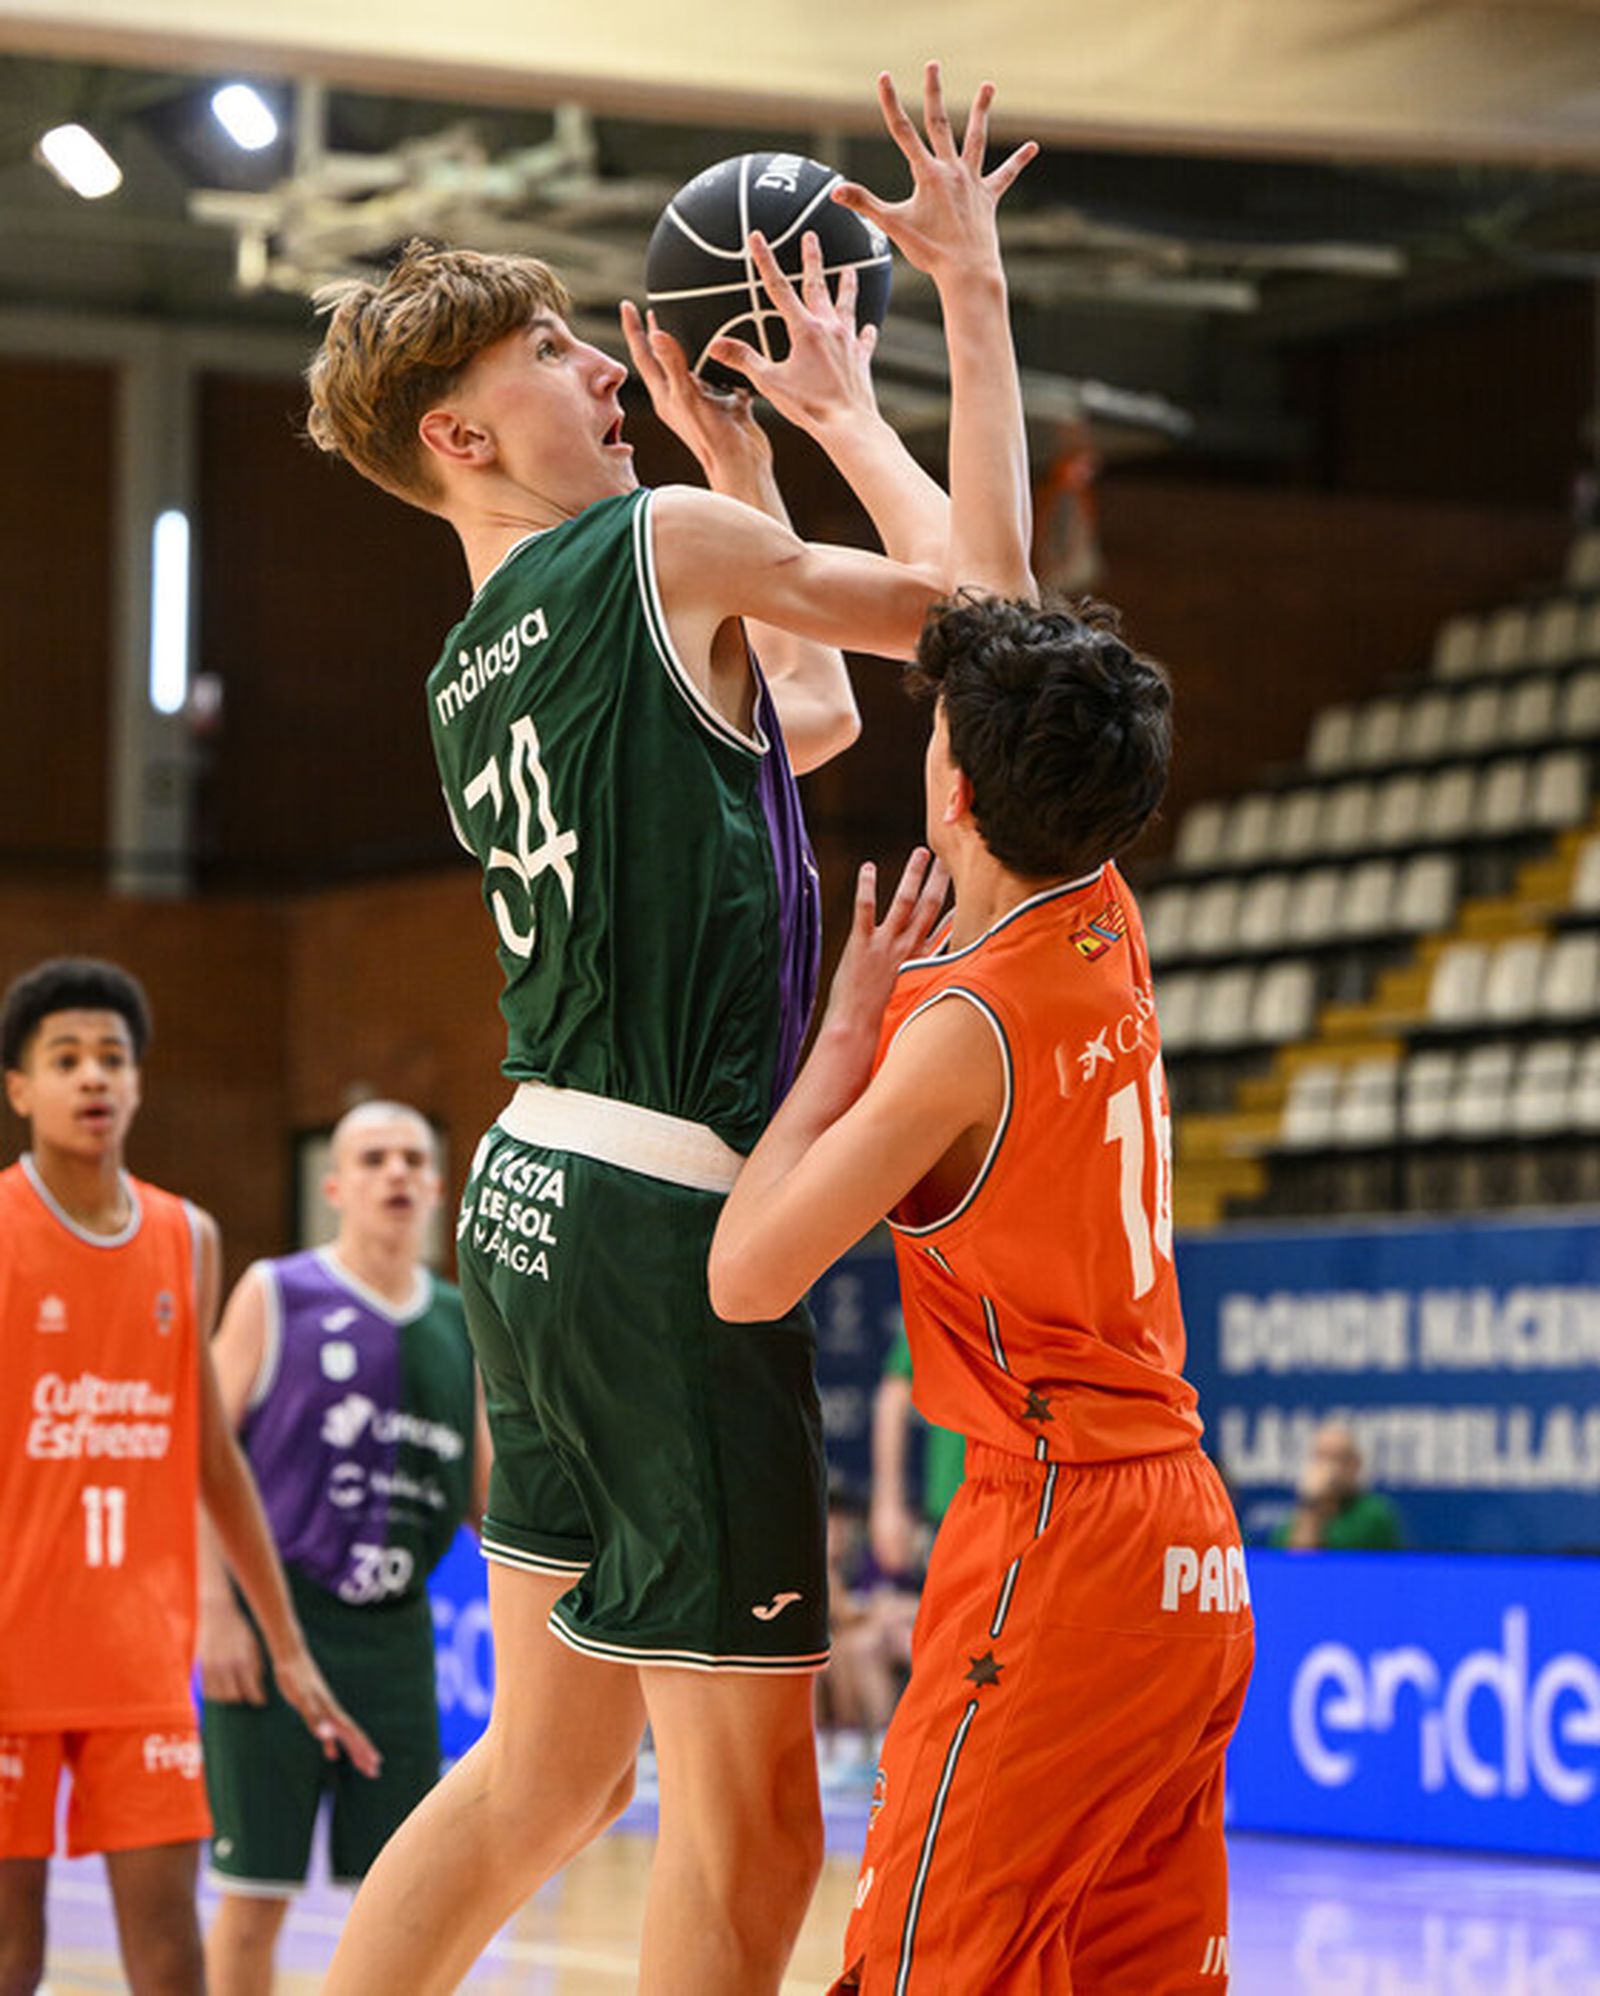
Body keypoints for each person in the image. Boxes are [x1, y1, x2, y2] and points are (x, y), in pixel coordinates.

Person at [305, 62, 1037, 1996]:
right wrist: (937, 325)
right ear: (462, 431)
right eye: (557, 351)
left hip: (532, 1201)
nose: (605, 365)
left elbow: (802, 730)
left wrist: (745, 461)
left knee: (544, 1769)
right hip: (659, 1231)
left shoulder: (469, 664)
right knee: (757, 1812)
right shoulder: (643, 558)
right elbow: (986, 623)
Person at [710, 595, 1257, 1993]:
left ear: (950, 784)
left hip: (1059, 1527)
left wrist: (840, 1039)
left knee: (916, 1972)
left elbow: (745, 1271)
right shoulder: (1103, 909)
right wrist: (872, 400)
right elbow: (995, 597)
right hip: (1190, 1539)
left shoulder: (956, 1030)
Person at [0, 957, 376, 1996]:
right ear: (20, 1088)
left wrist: (286, 1646)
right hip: (9, 1659)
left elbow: (213, 1458)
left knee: (171, 1956)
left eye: (112, 1057)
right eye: (64, 1058)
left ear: (138, 1082)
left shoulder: (187, 1236)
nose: (93, 1077)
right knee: (10, 1954)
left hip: (135, 1661)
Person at [199, 1099, 490, 1996]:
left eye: (413, 1159)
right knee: (256, 1897)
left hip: (395, 1641)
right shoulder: (276, 1291)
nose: (395, 1173)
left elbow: (491, 1495)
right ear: (335, 1187)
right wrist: (215, 1609)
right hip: (273, 1619)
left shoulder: (463, 1321)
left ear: (439, 1187)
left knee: (402, 1897)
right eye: (373, 1160)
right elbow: (197, 1453)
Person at [869, 1323, 965, 1577]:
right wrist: (888, 1504)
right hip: (955, 1508)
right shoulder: (955, 1288)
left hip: (1052, 1498)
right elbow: (895, 1392)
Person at [1271, 1419, 1404, 1550]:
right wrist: (1312, 1503)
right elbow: (1291, 1559)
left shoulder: (1373, 1515)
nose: (1329, 1469)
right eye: (1321, 1457)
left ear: (1356, 1464)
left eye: (1338, 1459)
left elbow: (1318, 1555)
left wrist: (1315, 1503)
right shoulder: (1296, 1519)